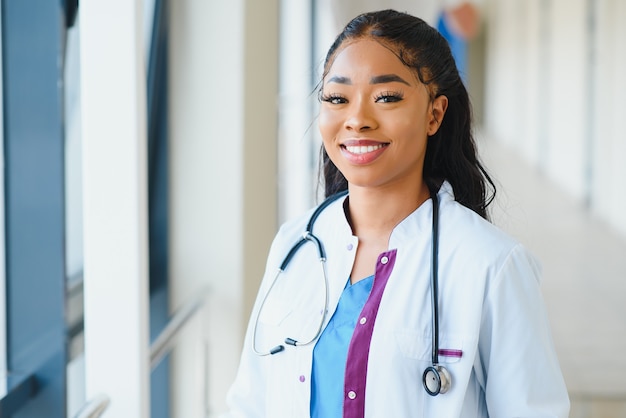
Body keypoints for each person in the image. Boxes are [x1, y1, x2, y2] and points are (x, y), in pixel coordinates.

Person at [223, 10, 569, 418]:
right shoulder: (294, 245)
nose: (357, 119)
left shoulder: (489, 265)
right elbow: (249, 402)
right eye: (337, 98)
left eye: (386, 97)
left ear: (434, 115)